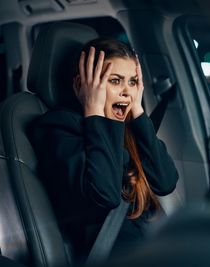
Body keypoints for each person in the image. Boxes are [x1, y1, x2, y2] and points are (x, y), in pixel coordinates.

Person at [30, 37, 179, 261]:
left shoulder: (126, 126)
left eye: (133, 82)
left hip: (155, 246)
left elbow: (165, 182)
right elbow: (105, 195)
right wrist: (94, 111)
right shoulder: (58, 127)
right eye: (116, 81)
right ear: (83, 85)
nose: (126, 92)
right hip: (115, 253)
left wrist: (138, 111)